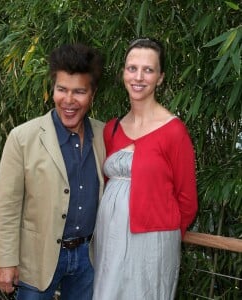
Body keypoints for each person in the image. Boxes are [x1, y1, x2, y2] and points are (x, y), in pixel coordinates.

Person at [0, 43, 105, 300]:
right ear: (52, 89)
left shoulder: (104, 135)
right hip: (37, 256)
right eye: (61, 89)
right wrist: (5, 260)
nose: (68, 100)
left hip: (88, 257)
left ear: (92, 94)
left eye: (79, 91)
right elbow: (8, 206)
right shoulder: (22, 138)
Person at [92, 37, 198, 300]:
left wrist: (165, 237)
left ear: (160, 78)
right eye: (132, 68)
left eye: (148, 70)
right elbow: (107, 183)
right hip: (110, 238)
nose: (138, 77)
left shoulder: (174, 131)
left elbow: (187, 200)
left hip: (153, 243)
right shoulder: (111, 129)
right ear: (123, 73)